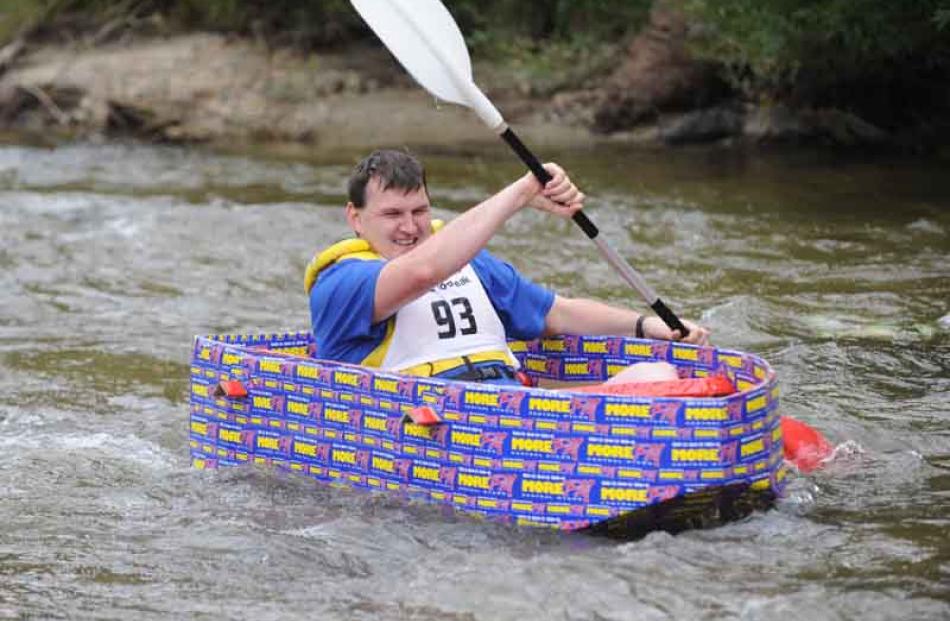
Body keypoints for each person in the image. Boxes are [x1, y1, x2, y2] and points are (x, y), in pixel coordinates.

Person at [306, 149, 709, 386]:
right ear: (355, 219)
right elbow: (420, 273)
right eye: (393, 214)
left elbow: (557, 313)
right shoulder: (341, 282)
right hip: (430, 425)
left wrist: (648, 327)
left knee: (655, 375)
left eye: (420, 211)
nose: (410, 227)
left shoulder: (471, 264)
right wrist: (523, 193)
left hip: (514, 404)